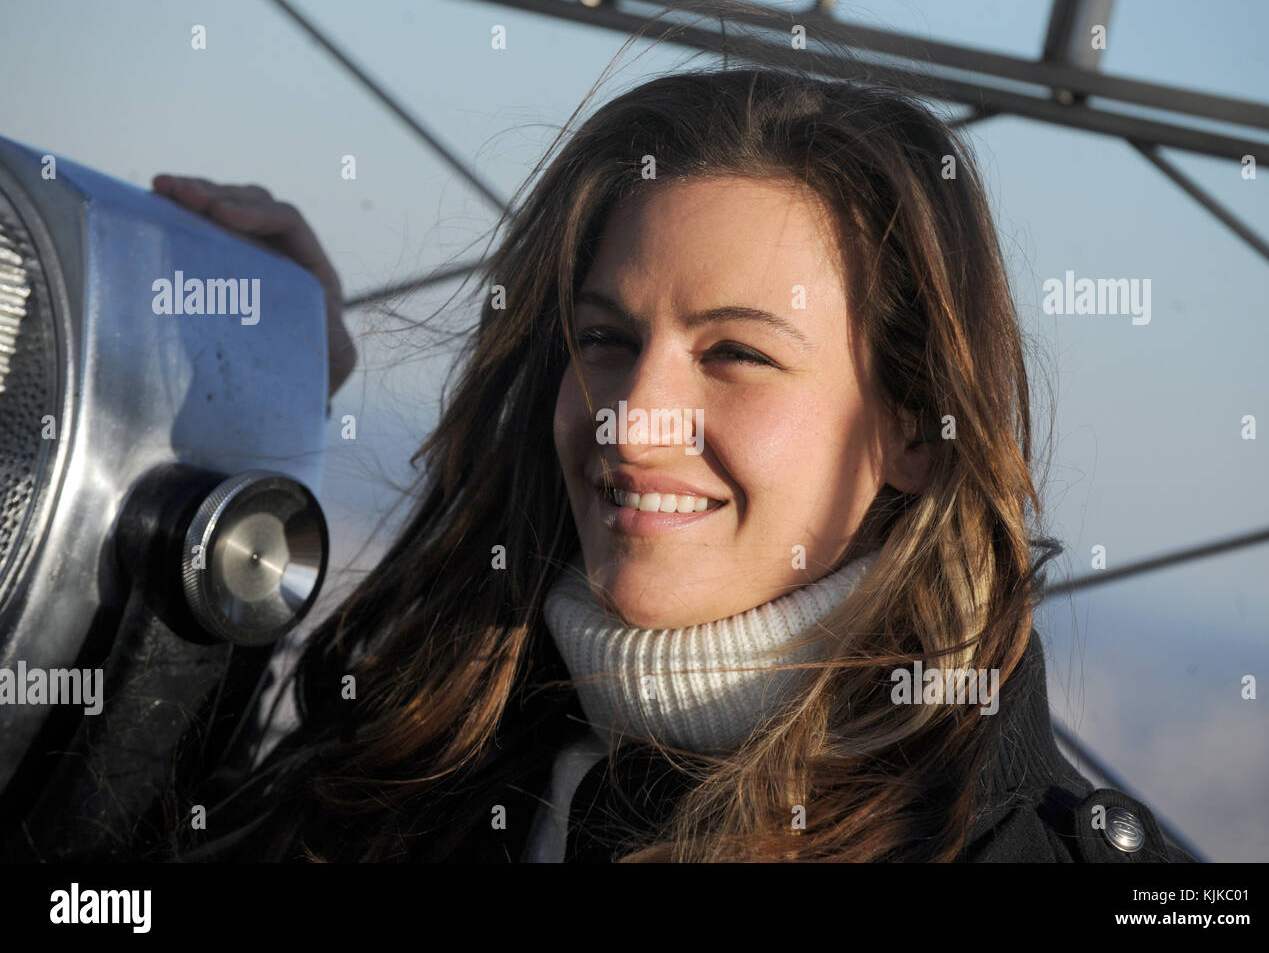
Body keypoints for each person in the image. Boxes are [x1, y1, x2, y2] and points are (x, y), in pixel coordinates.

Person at [152, 62, 1192, 863]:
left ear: (915, 432)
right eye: (603, 339)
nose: (633, 421)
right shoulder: (438, 752)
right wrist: (255, 410)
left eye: (736, 354)